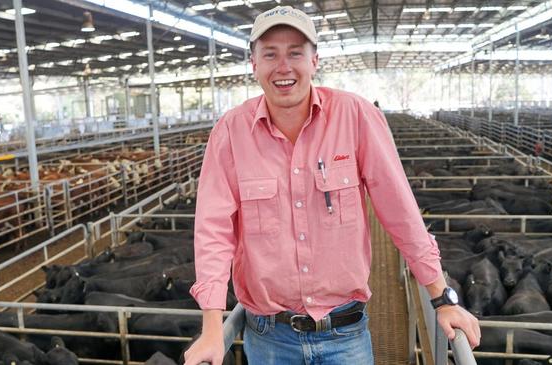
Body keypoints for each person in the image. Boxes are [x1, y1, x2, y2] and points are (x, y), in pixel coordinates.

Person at [183, 6, 480, 365]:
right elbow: (213, 230)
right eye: (270, 54)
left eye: (295, 53)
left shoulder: (356, 116)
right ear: (254, 64)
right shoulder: (230, 132)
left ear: (314, 61)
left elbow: (399, 209)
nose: (284, 67)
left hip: (345, 333)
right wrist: (213, 325)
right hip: (269, 338)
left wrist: (441, 298)